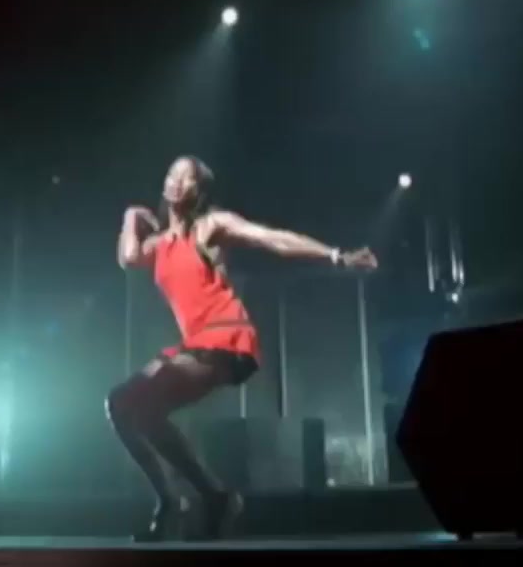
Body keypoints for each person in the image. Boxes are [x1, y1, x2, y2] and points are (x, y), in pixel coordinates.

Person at [110, 155, 378, 541]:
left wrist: (335, 256)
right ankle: (200, 497)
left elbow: (270, 238)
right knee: (121, 405)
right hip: (194, 343)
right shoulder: (158, 245)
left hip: (226, 337)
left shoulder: (209, 226)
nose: (176, 182)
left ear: (200, 192)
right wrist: (130, 217)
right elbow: (128, 258)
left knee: (145, 402)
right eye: (172, 174)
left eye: (187, 178)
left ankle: (189, 500)